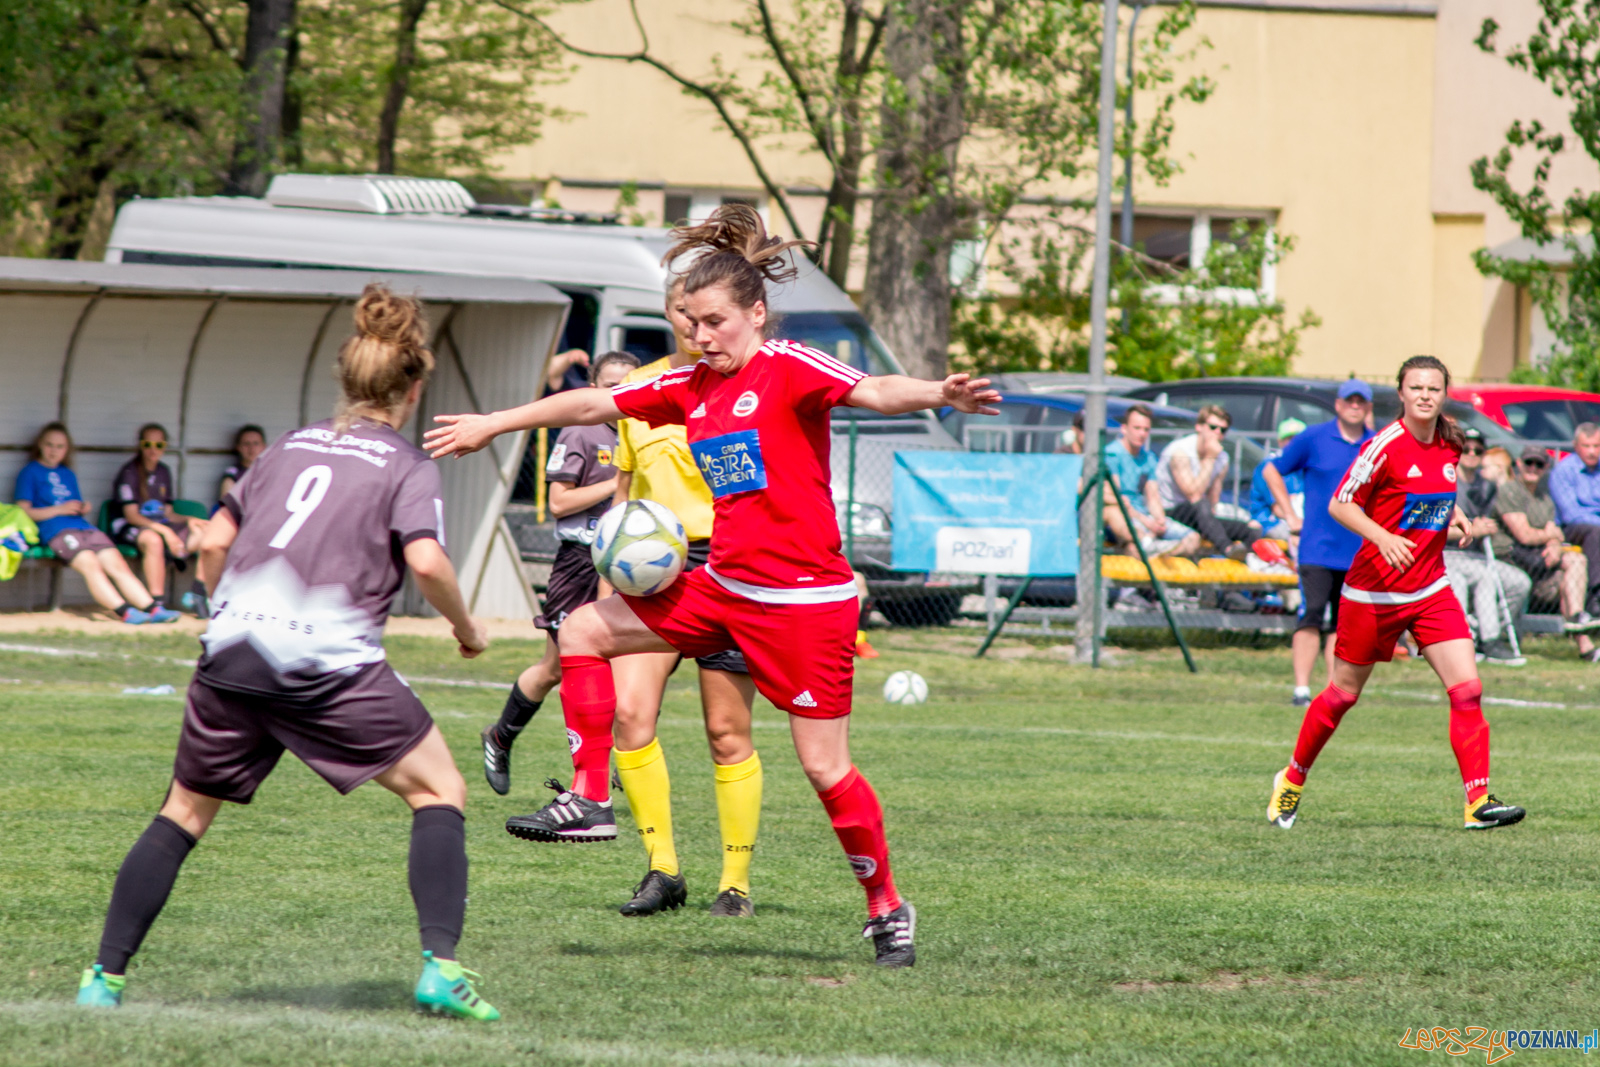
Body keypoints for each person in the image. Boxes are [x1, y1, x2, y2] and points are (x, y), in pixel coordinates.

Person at [426, 204, 1003, 968]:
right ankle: (591, 797)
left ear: (755, 313)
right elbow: (594, 402)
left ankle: (887, 908)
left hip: (804, 603)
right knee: (582, 630)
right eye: (690, 322)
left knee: (826, 768)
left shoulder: (790, 366)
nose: (701, 336)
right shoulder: (690, 387)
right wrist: (497, 421)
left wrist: (939, 392)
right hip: (721, 587)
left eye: (715, 321)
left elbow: (874, 390)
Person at [74, 284, 499, 1020]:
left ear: (344, 378)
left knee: (182, 812)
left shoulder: (282, 448)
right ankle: (441, 968)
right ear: (413, 385)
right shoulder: (404, 463)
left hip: (231, 653)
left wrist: (223, 606)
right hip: (323, 662)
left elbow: (211, 540)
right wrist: (467, 628)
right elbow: (427, 562)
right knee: (439, 791)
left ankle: (102, 979)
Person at [1267, 356, 1525, 834]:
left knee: (1467, 688)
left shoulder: (1451, 440)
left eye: (1434, 388)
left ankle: (1477, 802)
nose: (1425, 395)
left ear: (1444, 394)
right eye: (1416, 387)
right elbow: (1340, 504)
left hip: (1430, 588)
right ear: (1401, 395)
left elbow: (1433, 494)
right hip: (1373, 593)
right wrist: (1382, 538)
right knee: (1342, 695)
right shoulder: (1382, 445)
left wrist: (1457, 516)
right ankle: (1293, 777)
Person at [575, 276, 766, 920]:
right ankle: (662, 870)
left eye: (705, 312)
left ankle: (734, 884)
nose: (694, 324)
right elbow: (623, 499)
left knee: (725, 730)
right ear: (667, 313)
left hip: (730, 562)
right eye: (681, 312)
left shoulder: (748, 385)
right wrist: (608, 582)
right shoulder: (642, 391)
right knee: (630, 715)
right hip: (650, 571)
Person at [481, 350, 638, 801]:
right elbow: (559, 504)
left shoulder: (645, 431)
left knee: (631, 669)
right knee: (555, 668)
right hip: (580, 560)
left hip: (627, 563)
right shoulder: (582, 431)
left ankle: (602, 772)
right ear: (593, 387)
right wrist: (620, 481)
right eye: (610, 384)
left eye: (628, 384)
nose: (619, 393)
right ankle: (500, 737)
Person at [1263, 380, 1375, 706]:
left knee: (1343, 624)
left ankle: (1333, 690)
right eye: (1349, 401)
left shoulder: (1375, 443)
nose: (1355, 406)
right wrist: (1289, 515)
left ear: (1367, 408)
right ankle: (1301, 688)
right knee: (1311, 614)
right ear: (1338, 405)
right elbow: (1273, 469)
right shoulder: (1314, 437)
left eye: (1361, 402)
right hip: (1317, 547)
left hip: (1357, 550)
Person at [13, 423, 178, 625]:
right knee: (90, 563)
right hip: (56, 531)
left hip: (83, 527)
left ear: (67, 449)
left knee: (117, 563)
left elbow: (71, 504)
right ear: (40, 445)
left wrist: (82, 508)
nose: (54, 450)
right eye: (49, 445)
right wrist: (59, 510)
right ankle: (124, 611)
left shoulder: (67, 473)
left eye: (60, 446)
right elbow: (23, 512)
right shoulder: (29, 472)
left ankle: (152, 608)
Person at [1491, 445, 1600, 660]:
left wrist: (1554, 544)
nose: (1533, 468)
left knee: (1574, 564)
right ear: (1519, 465)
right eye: (1529, 463)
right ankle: (1583, 637)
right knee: (1570, 571)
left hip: (1540, 561)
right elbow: (1524, 535)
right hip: (1512, 559)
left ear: (1546, 467)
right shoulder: (1510, 491)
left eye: (1539, 464)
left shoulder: (1544, 498)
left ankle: (1580, 625)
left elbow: (1554, 534)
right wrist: (1550, 536)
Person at [1443, 428, 1530, 666]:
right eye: (1466, 448)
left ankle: (1485, 632)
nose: (1471, 453)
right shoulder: (1445, 480)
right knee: (1480, 578)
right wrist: (1472, 528)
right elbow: (1432, 531)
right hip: (1446, 555)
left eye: (1477, 450)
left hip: (1476, 556)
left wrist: (1484, 527)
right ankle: (1482, 640)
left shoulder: (1487, 486)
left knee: (1520, 582)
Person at [110, 423, 208, 611]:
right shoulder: (129, 472)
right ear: (140, 445)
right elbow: (131, 516)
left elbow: (168, 513)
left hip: (158, 525)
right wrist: (166, 532)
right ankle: (158, 603)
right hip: (128, 526)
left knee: (205, 532)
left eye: (159, 445)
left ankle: (198, 593)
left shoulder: (164, 471)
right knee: (154, 540)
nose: (153, 450)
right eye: (148, 444)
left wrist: (189, 520)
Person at [1153, 405, 1260, 560]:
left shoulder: (1222, 457)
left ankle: (1247, 568)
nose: (1217, 433)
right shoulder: (1180, 452)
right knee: (1200, 505)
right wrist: (1209, 458)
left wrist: (1210, 524)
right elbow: (1193, 494)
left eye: (1222, 430)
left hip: (1200, 514)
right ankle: (1228, 549)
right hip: (1172, 511)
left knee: (1249, 530)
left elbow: (1213, 500)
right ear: (1199, 427)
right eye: (1213, 427)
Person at [1101, 403, 1200, 558]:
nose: (1142, 433)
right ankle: (1153, 551)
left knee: (1193, 539)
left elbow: (1153, 496)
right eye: (1137, 428)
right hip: (1125, 517)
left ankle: (1158, 555)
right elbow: (1118, 500)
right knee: (1135, 544)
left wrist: (1159, 519)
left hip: (1144, 518)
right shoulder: (1112, 454)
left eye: (1146, 429)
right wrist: (1147, 522)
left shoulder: (1148, 458)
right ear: (1124, 428)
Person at [1548, 422, 1600, 615]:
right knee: (1595, 533)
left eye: (1596, 446)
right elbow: (1571, 514)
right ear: (1576, 446)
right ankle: (1596, 595)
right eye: (1587, 446)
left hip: (1594, 527)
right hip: (1572, 529)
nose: (1592, 451)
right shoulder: (1564, 471)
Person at [1248, 418, 1306, 541]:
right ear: (1280, 442)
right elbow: (1278, 509)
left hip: (1298, 520)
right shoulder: (1269, 466)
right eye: (1290, 439)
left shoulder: (1305, 465)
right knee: (1305, 540)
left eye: (1299, 439)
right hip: (1269, 523)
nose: (1295, 443)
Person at [218, 424, 267, 500]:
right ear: (238, 447)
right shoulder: (233, 475)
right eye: (246, 444)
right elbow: (228, 506)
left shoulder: (271, 472)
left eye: (256, 443)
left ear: (264, 447)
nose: (251, 448)